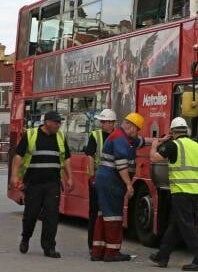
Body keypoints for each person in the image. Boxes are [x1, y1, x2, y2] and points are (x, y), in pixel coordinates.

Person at [9, 110, 73, 258]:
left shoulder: (60, 137)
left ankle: (49, 247)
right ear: (47, 122)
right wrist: (14, 175)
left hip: (53, 184)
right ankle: (25, 238)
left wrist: (70, 178)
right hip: (33, 184)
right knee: (31, 215)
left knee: (52, 216)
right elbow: (18, 157)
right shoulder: (31, 135)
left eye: (59, 122)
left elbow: (67, 158)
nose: (59, 125)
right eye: (56, 122)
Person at [149, 117, 198, 271]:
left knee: (187, 227)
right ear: (187, 131)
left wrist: (156, 143)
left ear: (173, 132)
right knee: (175, 226)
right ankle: (162, 256)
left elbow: (153, 158)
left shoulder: (173, 145)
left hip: (180, 193)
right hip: (194, 193)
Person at [90, 112, 145, 262]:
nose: (137, 133)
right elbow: (121, 164)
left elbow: (140, 141)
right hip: (112, 182)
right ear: (131, 126)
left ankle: (98, 251)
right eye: (137, 129)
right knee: (114, 216)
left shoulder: (122, 136)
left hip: (106, 181)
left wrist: (158, 141)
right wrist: (129, 184)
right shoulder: (120, 139)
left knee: (104, 216)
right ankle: (112, 253)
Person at [84, 108, 117, 252]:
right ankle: (93, 245)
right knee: (94, 213)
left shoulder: (118, 135)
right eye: (102, 122)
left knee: (110, 214)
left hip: (112, 180)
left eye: (104, 122)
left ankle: (106, 244)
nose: (102, 124)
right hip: (97, 179)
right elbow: (90, 156)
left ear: (112, 123)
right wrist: (91, 177)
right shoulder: (95, 135)